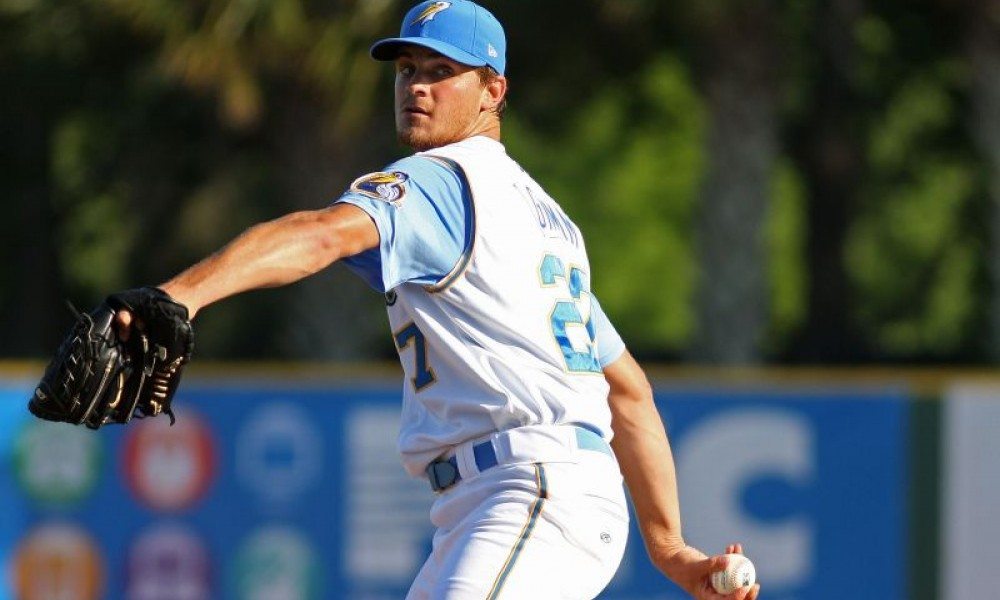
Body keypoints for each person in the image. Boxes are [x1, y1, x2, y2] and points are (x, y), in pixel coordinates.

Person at [119, 1, 761, 598]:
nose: (416, 86)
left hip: (531, 489)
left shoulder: (442, 179)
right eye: (406, 70)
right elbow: (627, 390)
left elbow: (320, 235)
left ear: (494, 90)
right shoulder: (544, 222)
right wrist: (670, 549)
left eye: (442, 70)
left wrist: (176, 298)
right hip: (512, 501)